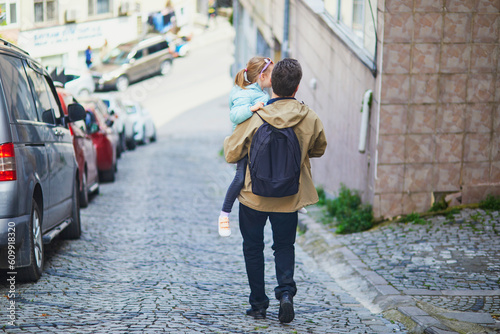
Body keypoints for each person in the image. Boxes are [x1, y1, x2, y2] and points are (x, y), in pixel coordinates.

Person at [223, 58, 327, 323]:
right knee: (284, 246)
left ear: (272, 86)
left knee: (253, 248)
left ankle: (258, 304)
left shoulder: (255, 114)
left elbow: (231, 152)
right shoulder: (309, 117)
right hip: (289, 197)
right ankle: (286, 294)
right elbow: (319, 149)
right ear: (297, 86)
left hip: (252, 197)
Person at [218, 56, 274, 237]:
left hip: (257, 143)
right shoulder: (245, 93)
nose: (275, 78)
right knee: (240, 177)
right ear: (262, 76)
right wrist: (252, 108)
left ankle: (292, 202)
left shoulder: (259, 92)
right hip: (243, 143)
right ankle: (224, 214)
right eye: (272, 74)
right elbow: (234, 116)